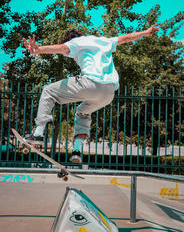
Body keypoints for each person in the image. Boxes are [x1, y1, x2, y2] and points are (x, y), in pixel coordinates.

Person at [23, 24, 159, 163]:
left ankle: (38, 133)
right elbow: (126, 38)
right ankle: (76, 150)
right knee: (83, 112)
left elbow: (62, 48)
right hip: (108, 92)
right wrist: (145, 32)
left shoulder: (76, 42)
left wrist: (39, 50)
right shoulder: (103, 40)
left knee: (48, 91)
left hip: (90, 84)